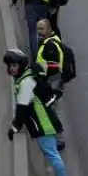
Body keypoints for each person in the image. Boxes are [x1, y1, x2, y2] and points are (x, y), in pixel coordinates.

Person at [4, 48, 70, 176]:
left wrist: (14, 128)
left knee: (53, 155)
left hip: (42, 125)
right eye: (10, 66)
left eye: (15, 66)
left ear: (21, 65)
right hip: (44, 123)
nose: (12, 69)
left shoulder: (26, 82)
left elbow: (22, 109)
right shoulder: (26, 77)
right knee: (52, 154)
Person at [34, 19, 66, 151]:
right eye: (38, 29)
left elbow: (53, 65)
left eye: (41, 29)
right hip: (52, 81)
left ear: (48, 29)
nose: (39, 31)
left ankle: (58, 139)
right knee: (50, 109)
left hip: (53, 82)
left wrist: (41, 75)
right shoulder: (48, 42)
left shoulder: (50, 45)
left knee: (53, 110)